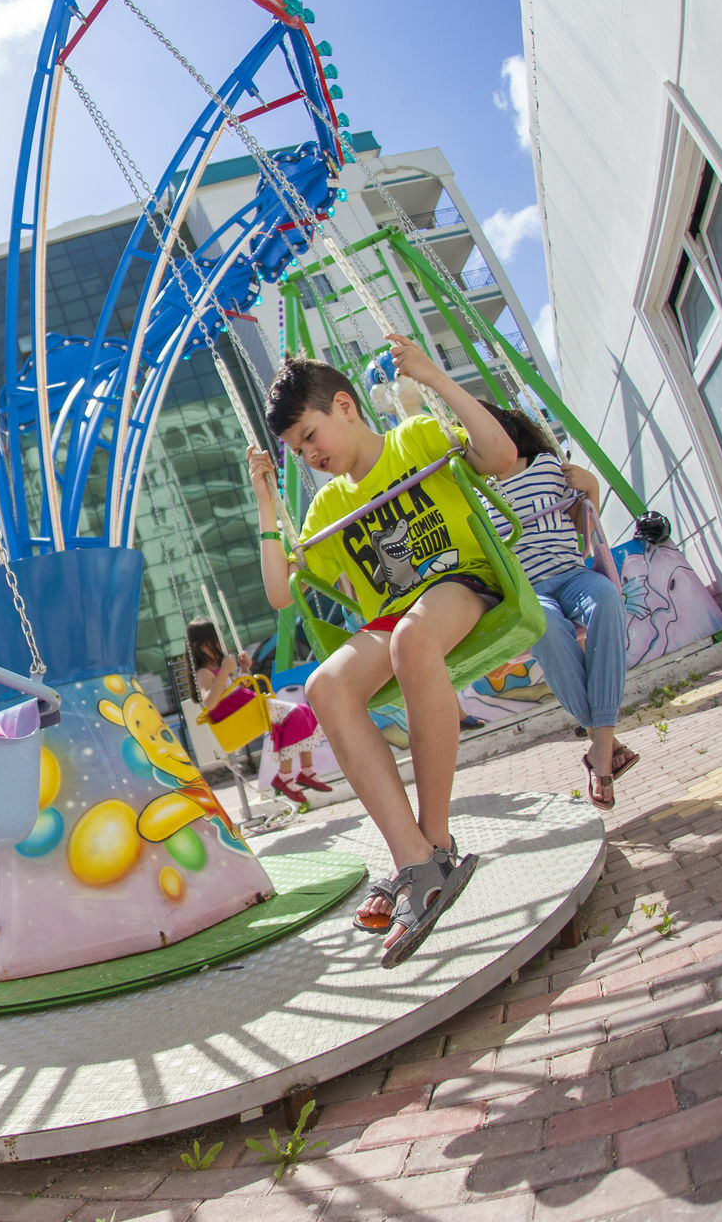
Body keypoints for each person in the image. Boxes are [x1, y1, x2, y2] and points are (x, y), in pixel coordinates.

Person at [251, 334, 518, 968]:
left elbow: (502, 456)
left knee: (410, 635)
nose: (308, 455)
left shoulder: (415, 438)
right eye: (295, 450)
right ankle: (416, 861)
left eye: (311, 436)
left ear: (345, 406)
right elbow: (280, 594)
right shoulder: (327, 506)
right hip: (397, 617)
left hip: (462, 583)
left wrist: (436, 378)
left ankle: (436, 838)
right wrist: (267, 503)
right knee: (325, 686)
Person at [480, 402, 634, 811]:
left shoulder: (547, 466)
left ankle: (598, 748)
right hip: (530, 592)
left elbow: (584, 527)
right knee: (543, 624)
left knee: (605, 598)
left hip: (571, 572)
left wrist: (593, 489)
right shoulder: (473, 492)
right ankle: (604, 747)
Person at [185, 618, 329, 807]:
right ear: (198, 646)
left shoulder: (220, 667)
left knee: (303, 711)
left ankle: (307, 771)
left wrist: (243, 669)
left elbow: (235, 688)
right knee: (294, 715)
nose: (218, 645)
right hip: (242, 714)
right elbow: (210, 702)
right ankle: (284, 777)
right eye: (213, 642)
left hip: (250, 706)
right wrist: (224, 672)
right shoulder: (205, 672)